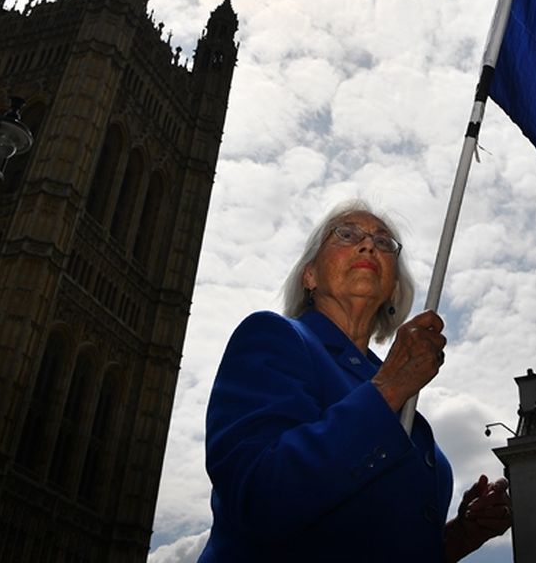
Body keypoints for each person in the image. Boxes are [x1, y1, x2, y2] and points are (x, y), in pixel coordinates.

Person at [197, 199, 511, 561]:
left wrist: (463, 534)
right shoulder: (274, 337)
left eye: (384, 243)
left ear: (393, 289)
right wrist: (389, 388)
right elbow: (258, 496)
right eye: (346, 234)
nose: (368, 245)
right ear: (310, 275)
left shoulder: (396, 381)